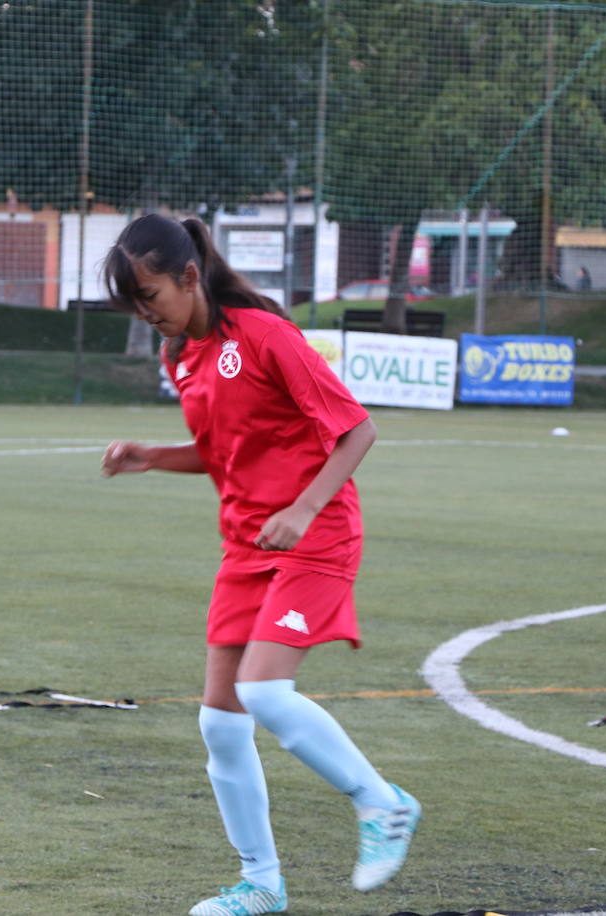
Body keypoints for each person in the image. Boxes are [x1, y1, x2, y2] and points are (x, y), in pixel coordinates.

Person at [99, 214, 419, 916]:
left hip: (317, 534)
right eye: (135, 304)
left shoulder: (267, 336)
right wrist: (153, 456)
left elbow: (356, 429)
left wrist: (303, 510)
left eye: (150, 297)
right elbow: (223, 454)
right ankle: (262, 885)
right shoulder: (180, 357)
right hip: (248, 546)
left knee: (267, 695)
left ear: (189, 277)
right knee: (220, 724)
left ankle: (383, 803)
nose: (147, 315)